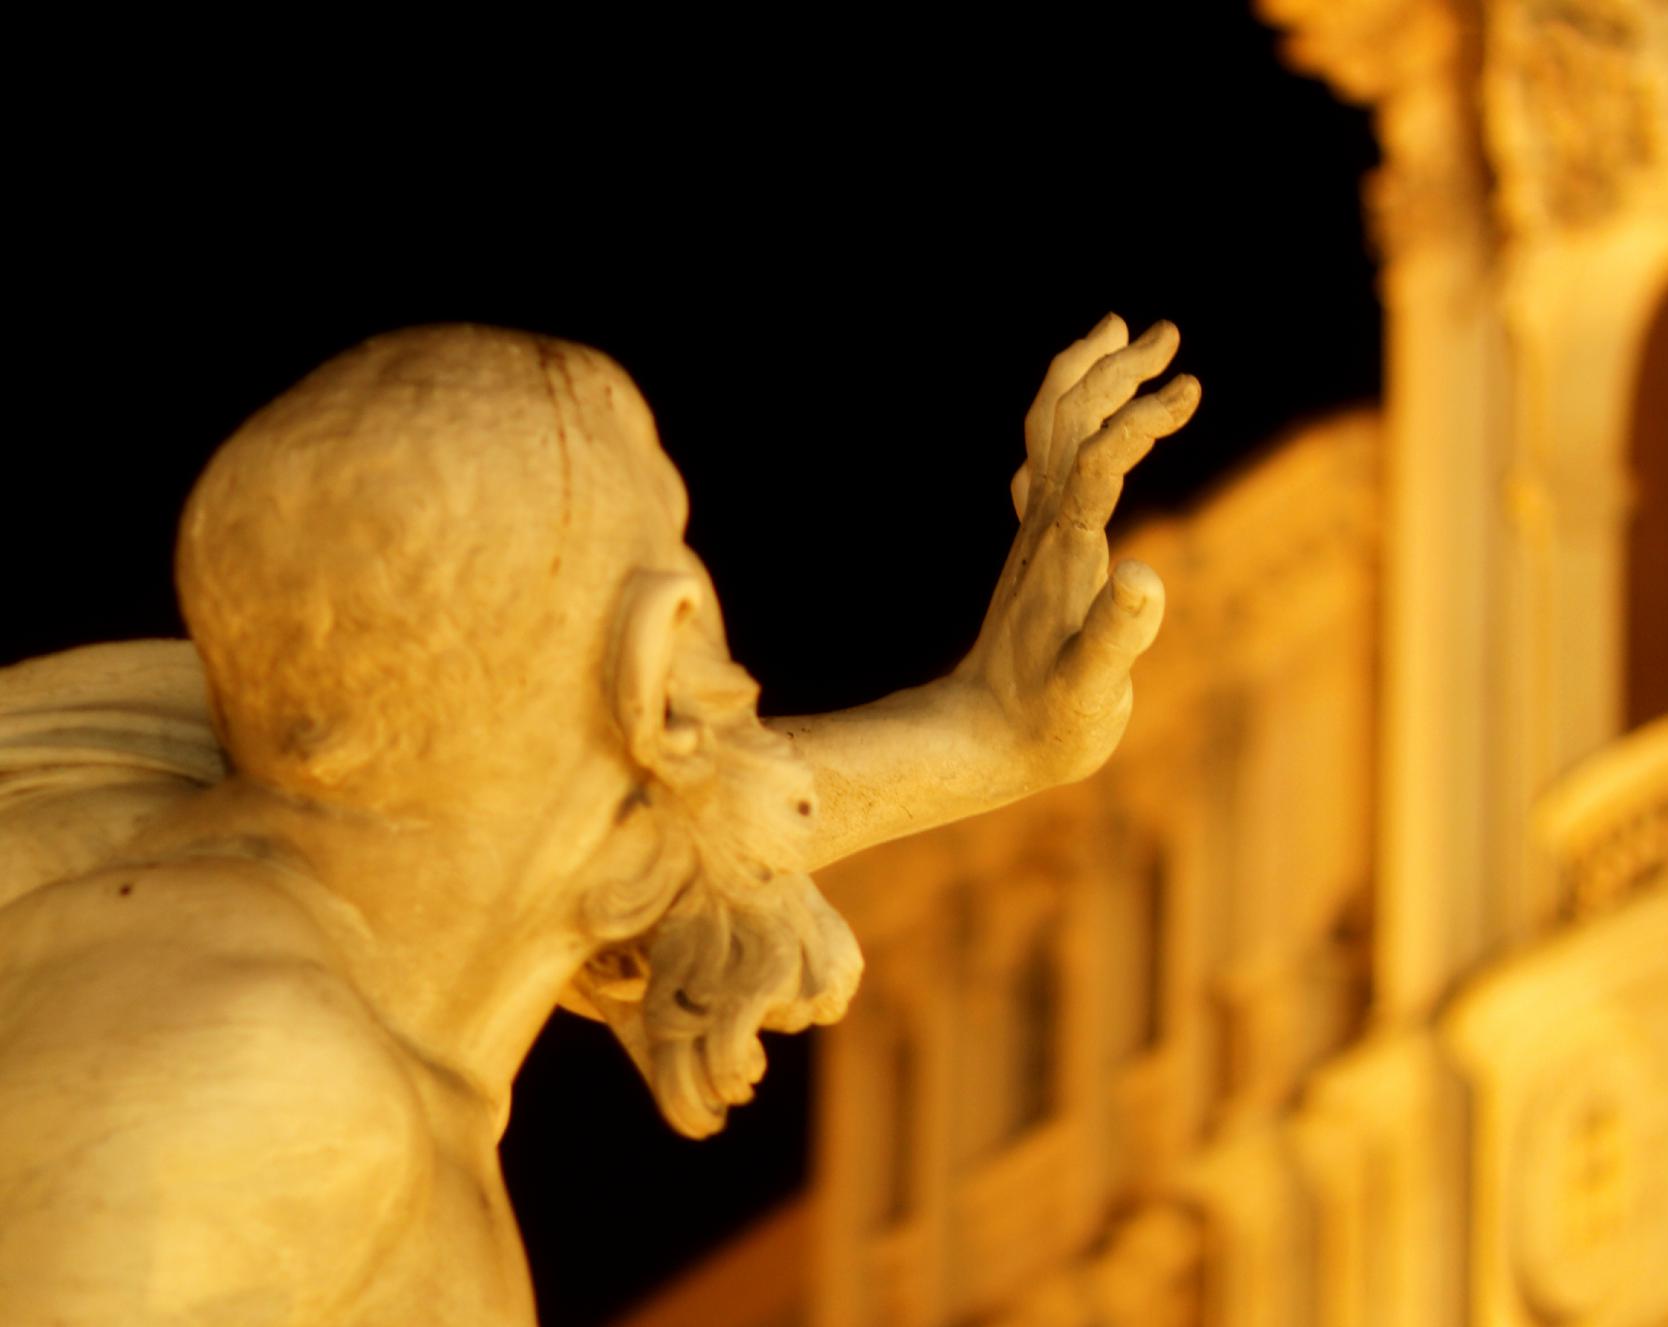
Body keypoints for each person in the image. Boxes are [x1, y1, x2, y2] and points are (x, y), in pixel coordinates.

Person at [0, 316, 1197, 1325]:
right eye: (671, 536)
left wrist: (984, 733)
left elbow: (640, 817)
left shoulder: (293, 967)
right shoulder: (263, 1068)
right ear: (657, 640)